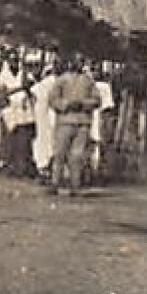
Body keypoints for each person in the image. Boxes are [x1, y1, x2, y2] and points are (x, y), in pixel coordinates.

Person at [46, 57, 100, 195]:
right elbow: (52, 99)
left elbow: (97, 100)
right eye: (75, 61)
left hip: (82, 122)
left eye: (81, 61)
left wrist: (83, 104)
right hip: (65, 120)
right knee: (59, 153)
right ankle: (55, 182)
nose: (78, 64)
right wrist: (66, 104)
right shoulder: (62, 80)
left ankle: (75, 185)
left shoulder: (88, 81)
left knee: (77, 155)